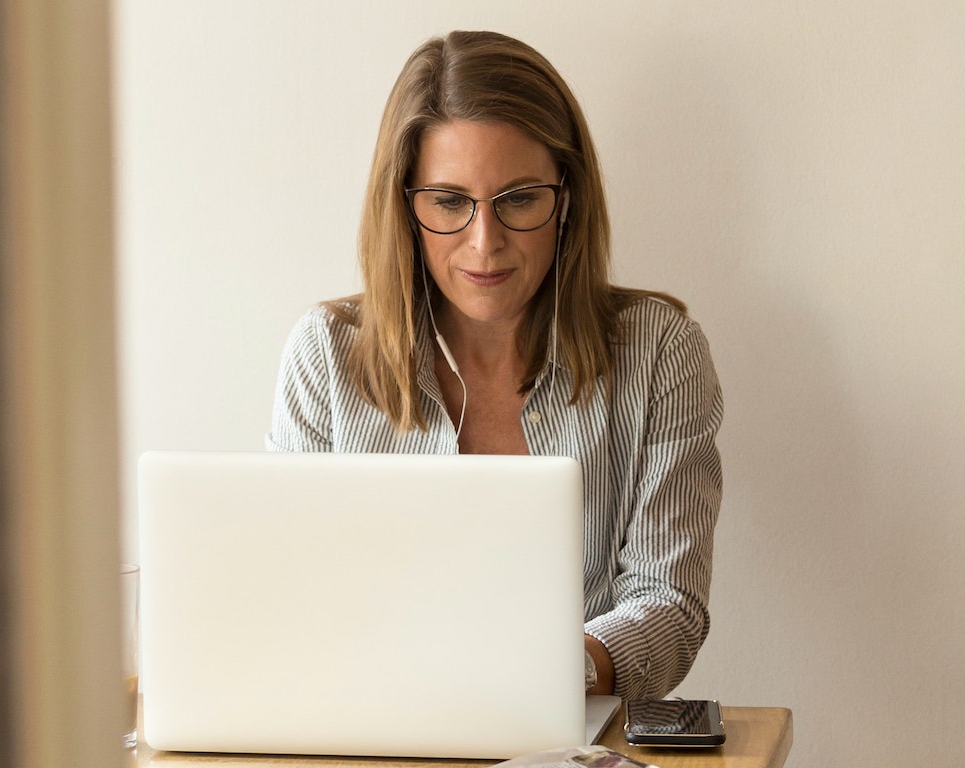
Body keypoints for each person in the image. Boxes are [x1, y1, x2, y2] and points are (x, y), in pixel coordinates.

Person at [266, 30, 722, 701]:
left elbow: (670, 604)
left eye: (518, 199)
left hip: (571, 736)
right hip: (370, 729)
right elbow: (290, 598)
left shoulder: (660, 351)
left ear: (566, 197)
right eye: (450, 202)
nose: (485, 243)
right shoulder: (325, 355)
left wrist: (550, 673)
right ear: (405, 206)